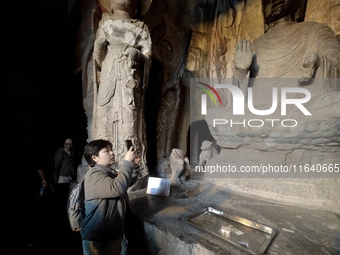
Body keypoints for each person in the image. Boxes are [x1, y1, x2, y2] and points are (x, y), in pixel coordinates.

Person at [234, 0, 340, 101]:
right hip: (260, 111)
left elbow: (335, 63)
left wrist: (319, 62)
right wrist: (241, 71)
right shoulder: (252, 47)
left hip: (303, 103)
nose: (275, 1)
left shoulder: (316, 30)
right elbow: (237, 99)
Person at [91, 0, 152, 177]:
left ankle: (131, 165)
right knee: (105, 117)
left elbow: (148, 56)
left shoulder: (140, 27)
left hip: (129, 78)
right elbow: (98, 55)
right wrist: (103, 56)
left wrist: (137, 54)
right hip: (109, 75)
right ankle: (103, 165)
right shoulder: (106, 25)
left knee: (129, 118)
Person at [80, 139, 138, 255]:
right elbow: (117, 188)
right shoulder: (94, 175)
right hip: (97, 237)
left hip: (110, 233)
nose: (112, 153)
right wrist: (127, 163)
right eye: (106, 151)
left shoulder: (109, 172)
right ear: (95, 158)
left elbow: (125, 182)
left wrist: (134, 168)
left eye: (111, 150)